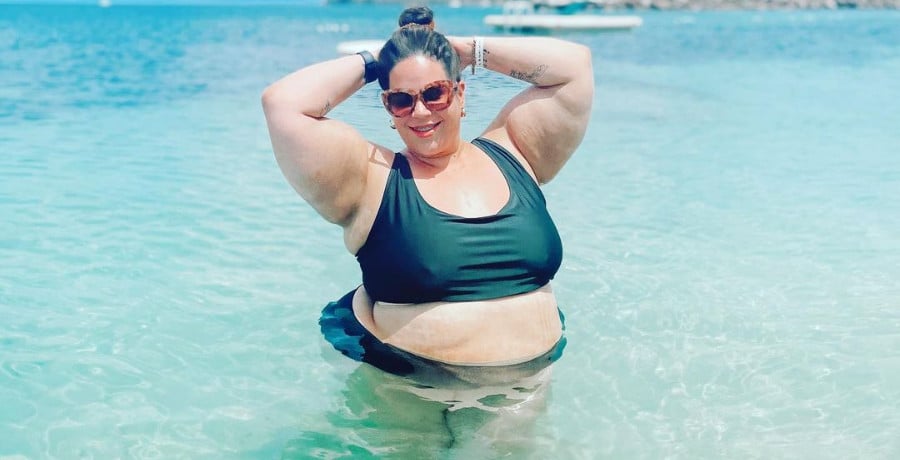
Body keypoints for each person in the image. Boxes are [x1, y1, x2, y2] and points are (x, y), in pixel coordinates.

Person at [262, 7, 593, 389]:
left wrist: (465, 51)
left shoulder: (518, 151)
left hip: (526, 389)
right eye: (401, 100)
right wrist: (382, 59)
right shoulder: (371, 179)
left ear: (460, 92)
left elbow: (575, 68)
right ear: (388, 109)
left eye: (435, 93)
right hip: (413, 393)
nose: (420, 111)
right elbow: (283, 104)